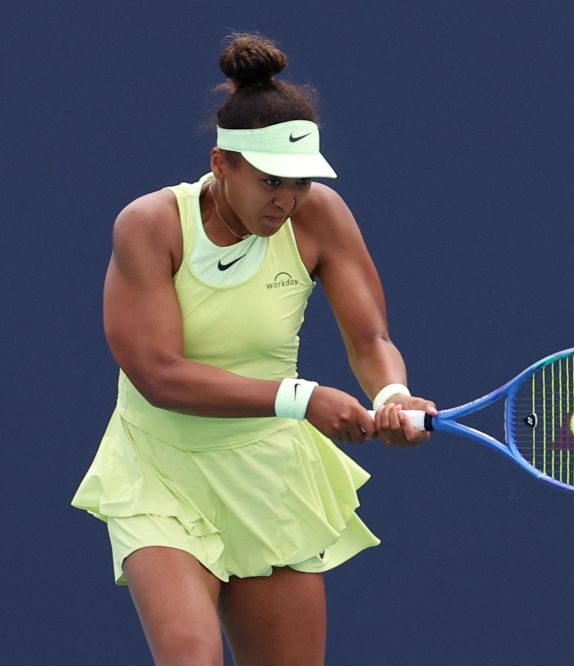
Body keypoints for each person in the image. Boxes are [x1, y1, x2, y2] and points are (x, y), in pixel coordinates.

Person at [71, 32, 435, 666]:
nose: (287, 199)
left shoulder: (319, 216)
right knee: (192, 656)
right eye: (271, 181)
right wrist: (302, 398)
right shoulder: (152, 225)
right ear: (221, 164)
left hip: (268, 476)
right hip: (160, 470)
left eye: (301, 181)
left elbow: (370, 338)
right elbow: (159, 375)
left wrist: (392, 394)